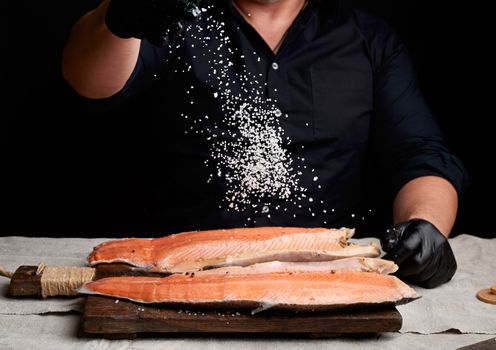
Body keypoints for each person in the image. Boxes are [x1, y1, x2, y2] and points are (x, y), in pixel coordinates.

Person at [61, 0, 469, 288]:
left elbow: (420, 154)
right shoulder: (174, 12)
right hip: (180, 275)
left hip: (330, 277)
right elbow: (88, 84)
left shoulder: (366, 36)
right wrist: (116, 19)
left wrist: (426, 226)